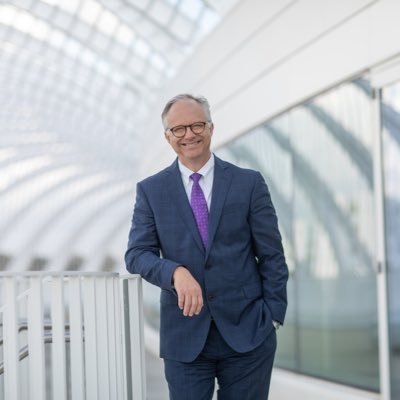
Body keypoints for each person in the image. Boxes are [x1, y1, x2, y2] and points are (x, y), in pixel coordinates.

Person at [125, 94, 288, 400]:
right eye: (179, 129)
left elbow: (272, 255)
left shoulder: (248, 183)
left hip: (249, 334)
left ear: (211, 127)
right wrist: (174, 272)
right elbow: (136, 254)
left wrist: (274, 315)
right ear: (167, 137)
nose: (189, 134)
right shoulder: (151, 191)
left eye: (197, 125)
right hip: (184, 337)